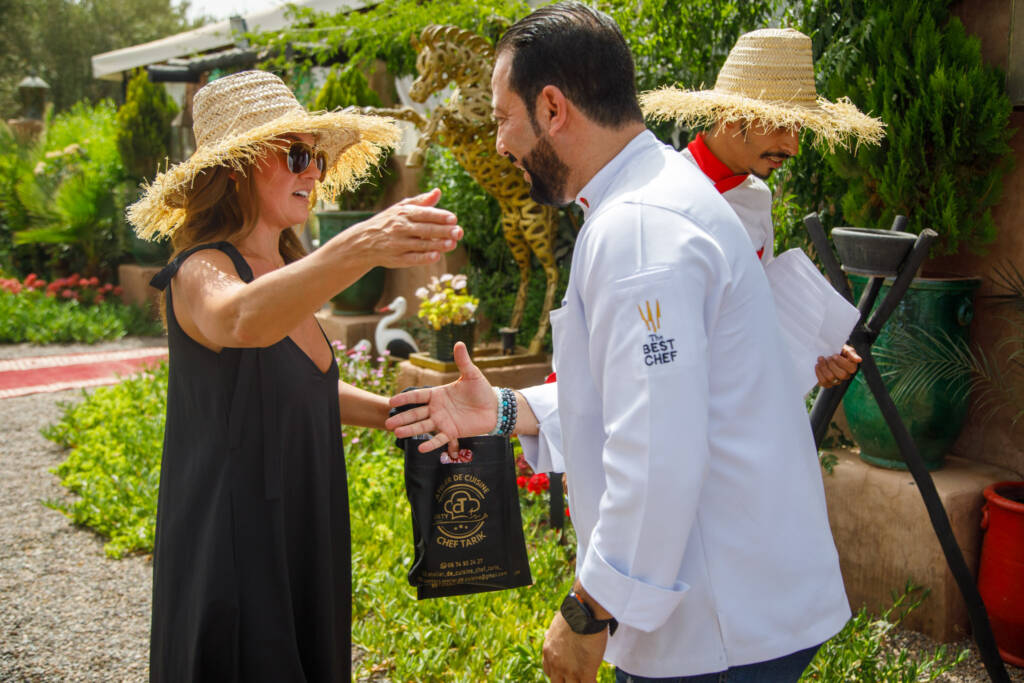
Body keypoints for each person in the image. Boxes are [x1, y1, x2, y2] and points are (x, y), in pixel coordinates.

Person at [387, 4, 850, 682]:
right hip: (740, 606)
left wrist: (588, 610)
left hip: (718, 626)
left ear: (552, 107)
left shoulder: (639, 227)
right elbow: (649, 392)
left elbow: (657, 447)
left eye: (501, 117)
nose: (498, 144)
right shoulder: (650, 198)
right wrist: (507, 410)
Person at [126, 70, 463, 682]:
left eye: (318, 159)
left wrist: (410, 410)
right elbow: (240, 319)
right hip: (238, 544)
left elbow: (299, 386)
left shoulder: (287, 264)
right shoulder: (201, 268)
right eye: (299, 155)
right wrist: (360, 245)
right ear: (237, 166)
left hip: (302, 525)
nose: (314, 172)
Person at [642, 28, 887, 389]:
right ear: (729, 114)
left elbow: (759, 304)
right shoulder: (661, 194)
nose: (792, 146)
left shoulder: (757, 195)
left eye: (798, 127)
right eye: (779, 124)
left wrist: (819, 352)